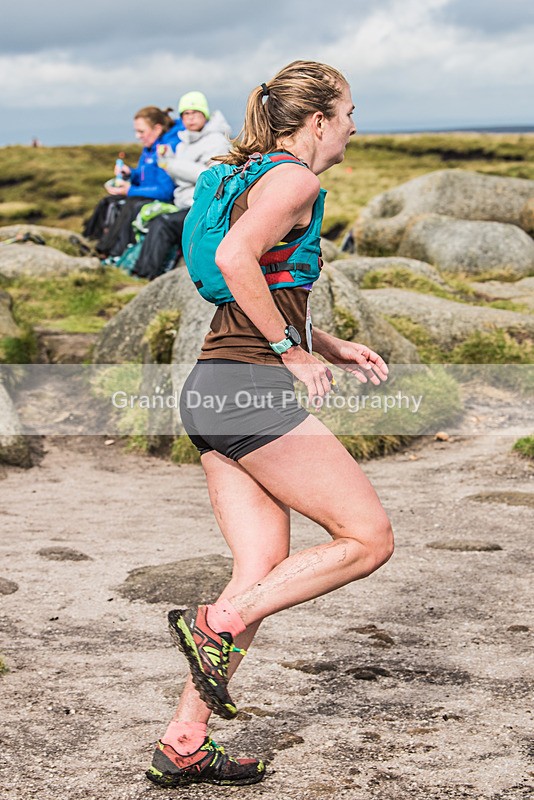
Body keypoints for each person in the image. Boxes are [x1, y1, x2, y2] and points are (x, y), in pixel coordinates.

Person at [145, 60, 394, 789]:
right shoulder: (295, 180)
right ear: (317, 120)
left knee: (259, 570)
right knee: (368, 537)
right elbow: (233, 257)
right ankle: (213, 627)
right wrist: (290, 354)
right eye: (348, 111)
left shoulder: (246, 174)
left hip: (214, 384)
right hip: (249, 387)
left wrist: (329, 344)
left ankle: (184, 740)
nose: (354, 124)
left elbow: (262, 283)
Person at [132, 92, 231, 280]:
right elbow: (184, 174)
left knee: (163, 224)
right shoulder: (183, 142)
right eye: (186, 113)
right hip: (184, 203)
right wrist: (168, 158)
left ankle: (146, 275)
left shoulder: (218, 141)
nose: (190, 117)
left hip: (205, 208)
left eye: (195, 112)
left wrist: (171, 164)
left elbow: (209, 177)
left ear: (205, 115)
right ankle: (138, 270)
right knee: (149, 215)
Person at [82, 106, 183, 258]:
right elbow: (145, 175)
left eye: (141, 131)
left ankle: (107, 251)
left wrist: (129, 190)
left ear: (157, 129)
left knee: (131, 204)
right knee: (107, 201)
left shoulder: (165, 149)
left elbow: (165, 190)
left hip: (162, 198)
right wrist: (131, 173)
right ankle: (89, 239)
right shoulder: (149, 147)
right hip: (143, 192)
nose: (137, 136)